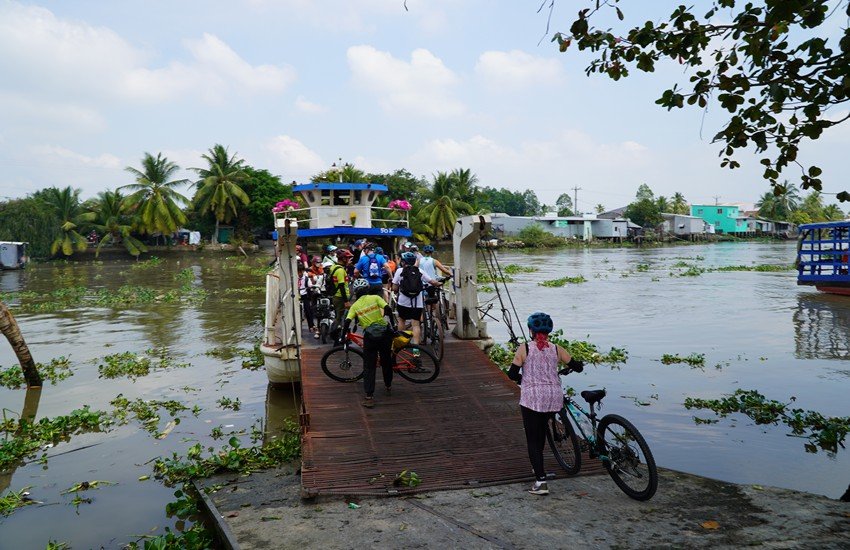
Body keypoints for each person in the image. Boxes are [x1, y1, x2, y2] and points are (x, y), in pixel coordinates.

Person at [507, 312, 584, 496]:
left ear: (530, 330)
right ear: (549, 331)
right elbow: (577, 367)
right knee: (542, 430)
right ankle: (538, 467)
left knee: (533, 439)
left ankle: (540, 482)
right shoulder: (557, 349)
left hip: (532, 398)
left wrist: (523, 379)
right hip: (553, 396)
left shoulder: (525, 348)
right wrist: (577, 365)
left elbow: (511, 374)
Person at [342, 278, 397, 408]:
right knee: (386, 361)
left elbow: (347, 322)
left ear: (356, 292)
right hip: (384, 334)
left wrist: (342, 336)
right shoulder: (375, 298)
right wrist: (393, 325)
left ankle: (369, 396)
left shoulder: (355, 306)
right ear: (367, 289)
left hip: (370, 337)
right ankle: (388, 384)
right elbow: (388, 309)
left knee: (369, 366)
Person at [392, 252, 441, 360]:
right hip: (417, 304)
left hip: (403, 303)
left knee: (401, 321)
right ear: (415, 261)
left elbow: (395, 288)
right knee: (416, 325)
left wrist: (397, 288)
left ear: (403, 262)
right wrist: (439, 283)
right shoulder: (420, 271)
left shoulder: (399, 271)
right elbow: (432, 281)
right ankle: (416, 350)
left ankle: (402, 345)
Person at [419, 244, 452, 317]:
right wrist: (451, 274)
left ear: (424, 252)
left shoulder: (419, 261)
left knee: (424, 299)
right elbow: (444, 270)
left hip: (422, 283)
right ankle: (434, 314)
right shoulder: (434, 261)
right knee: (433, 297)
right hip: (433, 283)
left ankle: (427, 316)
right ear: (432, 252)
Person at [328, 249, 353, 329]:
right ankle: (335, 333)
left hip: (337, 295)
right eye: (348, 258)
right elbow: (341, 286)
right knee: (340, 318)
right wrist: (346, 301)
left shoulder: (334, 267)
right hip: (340, 297)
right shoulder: (340, 270)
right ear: (343, 259)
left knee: (339, 317)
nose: (349, 260)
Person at [297, 264, 317, 337]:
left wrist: (311, 287)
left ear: (303, 271)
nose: (300, 273)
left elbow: (310, 285)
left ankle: (311, 325)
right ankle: (295, 326)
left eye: (301, 271)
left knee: (308, 310)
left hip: (304, 295)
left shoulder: (306, 279)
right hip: (297, 295)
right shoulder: (295, 278)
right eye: (298, 271)